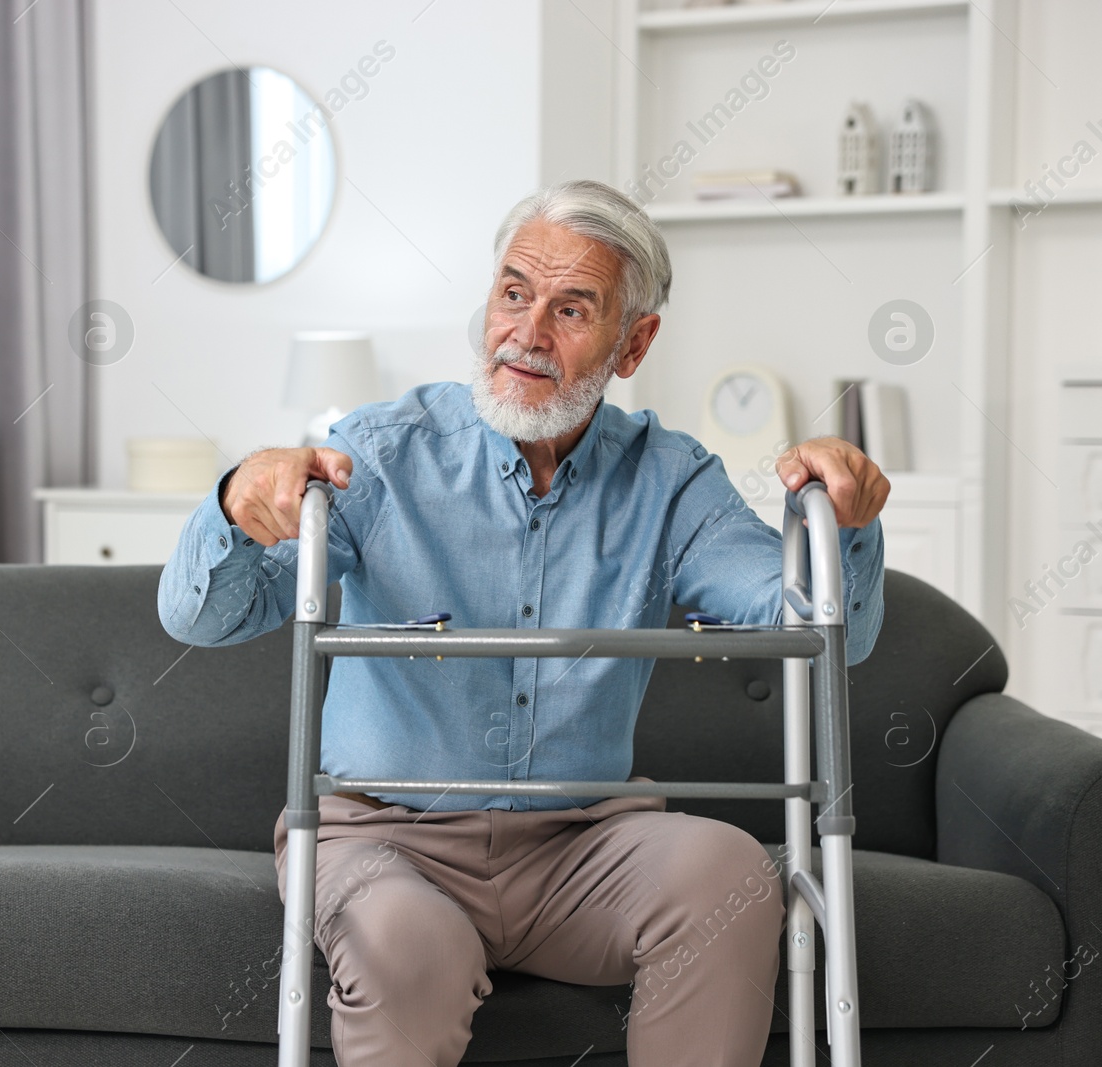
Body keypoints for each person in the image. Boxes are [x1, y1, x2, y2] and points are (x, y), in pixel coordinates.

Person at [157, 178, 888, 1067]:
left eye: (572, 308)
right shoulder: (380, 454)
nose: (526, 334)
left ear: (635, 342)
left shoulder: (673, 479)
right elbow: (200, 616)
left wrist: (843, 517)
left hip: (582, 845)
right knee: (412, 945)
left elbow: (810, 618)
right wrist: (236, 500)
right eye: (513, 294)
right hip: (387, 840)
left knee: (729, 873)